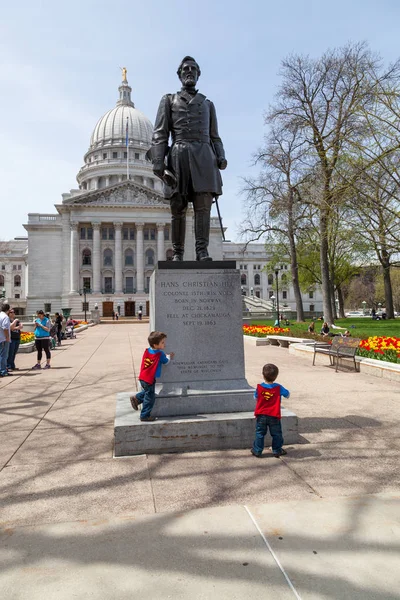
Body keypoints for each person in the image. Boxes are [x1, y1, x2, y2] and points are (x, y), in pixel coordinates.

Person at [148, 56, 227, 261]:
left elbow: (214, 136)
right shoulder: (168, 100)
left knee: (203, 207)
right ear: (179, 74)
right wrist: (159, 164)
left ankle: (202, 251)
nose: (189, 72)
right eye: (185, 69)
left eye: (193, 69)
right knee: (178, 207)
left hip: (204, 156)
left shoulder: (208, 104)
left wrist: (221, 156)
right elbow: (160, 133)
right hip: (178, 156)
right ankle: (178, 253)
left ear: (198, 74)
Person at [130, 331, 175, 421]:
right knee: (150, 397)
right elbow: (166, 362)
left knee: (148, 392)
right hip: (150, 379)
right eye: (162, 342)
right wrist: (169, 356)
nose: (164, 344)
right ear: (155, 345)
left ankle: (137, 398)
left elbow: (155, 357)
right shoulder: (160, 354)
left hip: (143, 377)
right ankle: (144, 415)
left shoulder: (147, 351)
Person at [251, 363, 290, 458]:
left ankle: (257, 450)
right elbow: (287, 394)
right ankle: (277, 450)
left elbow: (255, 397)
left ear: (263, 375)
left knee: (260, 433)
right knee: (276, 433)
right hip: (274, 414)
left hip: (261, 414)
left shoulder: (259, 387)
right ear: (276, 376)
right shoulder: (278, 387)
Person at [0, 303, 11, 377]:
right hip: (3, 338)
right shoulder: (5, 317)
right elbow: (5, 328)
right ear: (8, 310)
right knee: (4, 355)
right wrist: (7, 337)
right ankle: (3, 371)